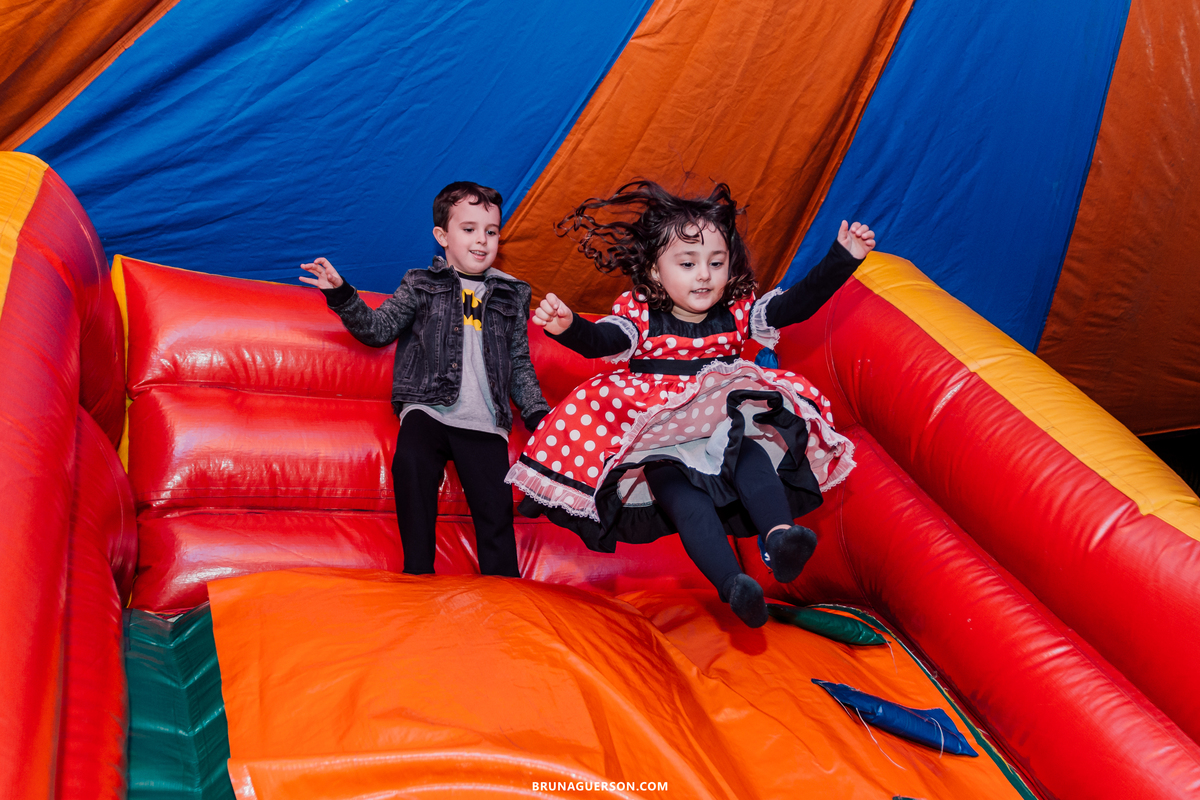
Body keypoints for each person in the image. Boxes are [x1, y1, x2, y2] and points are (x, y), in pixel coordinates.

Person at [505, 180, 873, 626]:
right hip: (659, 438)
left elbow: (796, 304)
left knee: (751, 454)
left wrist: (843, 258)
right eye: (688, 262)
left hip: (721, 422)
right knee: (681, 498)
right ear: (656, 272)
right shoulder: (640, 314)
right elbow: (601, 340)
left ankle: (780, 537)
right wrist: (568, 328)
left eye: (716, 262)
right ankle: (733, 585)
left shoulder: (737, 311)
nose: (705, 274)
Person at [300, 181, 550, 578]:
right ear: (442, 236)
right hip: (428, 407)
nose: (482, 241)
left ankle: (505, 597)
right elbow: (378, 329)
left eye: (491, 231)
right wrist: (341, 294)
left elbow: (519, 363)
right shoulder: (420, 283)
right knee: (411, 467)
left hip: (484, 422)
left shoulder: (512, 294)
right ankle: (417, 575)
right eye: (468, 229)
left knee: (495, 512)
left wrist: (540, 416)